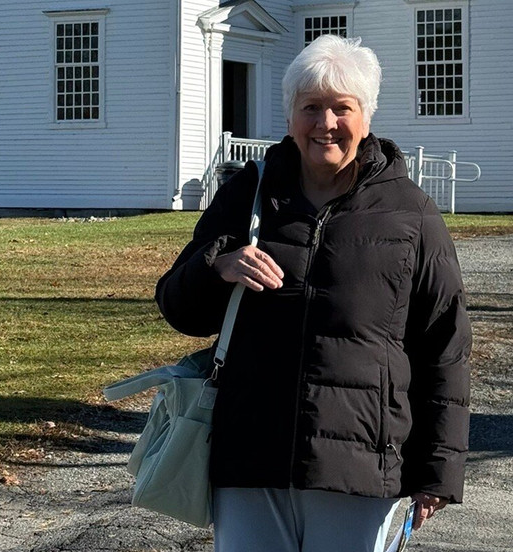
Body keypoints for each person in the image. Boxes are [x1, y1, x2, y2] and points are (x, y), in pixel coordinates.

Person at [155, 35, 471, 552]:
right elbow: (176, 305)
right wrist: (218, 267)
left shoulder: (411, 213)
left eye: (341, 108)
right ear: (289, 117)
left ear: (366, 116)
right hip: (250, 456)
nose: (326, 123)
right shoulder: (248, 195)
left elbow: (445, 344)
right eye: (311, 108)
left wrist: (438, 469)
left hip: (361, 467)